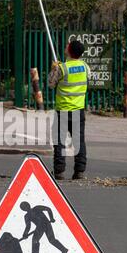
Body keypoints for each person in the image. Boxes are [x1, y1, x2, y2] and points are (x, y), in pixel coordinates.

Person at [48, 39, 88, 180]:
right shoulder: (85, 66)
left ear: (70, 50)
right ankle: (80, 171)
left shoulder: (62, 68)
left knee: (59, 141)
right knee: (79, 141)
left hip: (63, 110)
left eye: (67, 45)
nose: (65, 46)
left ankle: (59, 171)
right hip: (78, 109)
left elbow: (50, 84)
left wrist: (54, 69)